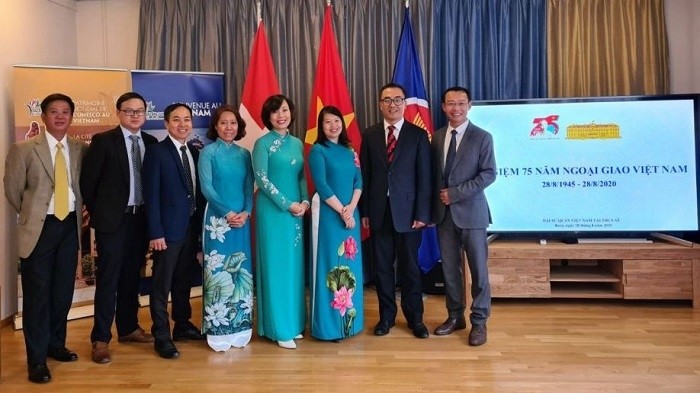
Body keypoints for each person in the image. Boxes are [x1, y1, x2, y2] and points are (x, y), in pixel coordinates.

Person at [4, 93, 87, 383]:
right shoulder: (24, 149)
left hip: (69, 228)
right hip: (39, 229)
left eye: (66, 111)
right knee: (37, 297)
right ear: (44, 116)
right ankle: (36, 360)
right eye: (54, 111)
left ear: (72, 117)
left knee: (62, 292)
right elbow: (13, 191)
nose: (60, 116)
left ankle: (55, 345)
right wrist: (35, 214)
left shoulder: (79, 148)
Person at [80, 92, 157, 364]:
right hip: (113, 222)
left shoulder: (150, 142)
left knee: (131, 277)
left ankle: (128, 328)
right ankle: (100, 338)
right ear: (118, 113)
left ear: (146, 114)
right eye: (129, 111)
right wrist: (102, 214)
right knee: (109, 278)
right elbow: (89, 183)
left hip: (140, 219)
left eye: (140, 111)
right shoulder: (103, 141)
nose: (135, 115)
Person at [359, 83, 432, 339]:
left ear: (404, 103)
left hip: (410, 214)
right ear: (380, 104)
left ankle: (416, 319)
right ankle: (386, 318)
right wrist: (365, 210)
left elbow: (425, 178)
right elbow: (365, 176)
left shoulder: (418, 135)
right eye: (387, 100)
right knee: (382, 269)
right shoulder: (369, 135)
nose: (392, 104)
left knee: (410, 269)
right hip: (379, 212)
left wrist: (423, 213)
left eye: (397, 99)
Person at [431, 86, 496, 346]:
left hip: (473, 214)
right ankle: (455, 316)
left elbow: (489, 173)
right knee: (449, 270)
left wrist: (455, 194)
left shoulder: (482, 137)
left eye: (461, 103)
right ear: (443, 107)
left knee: (478, 271)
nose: (455, 108)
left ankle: (479, 322)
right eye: (450, 103)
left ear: (470, 105)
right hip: (444, 216)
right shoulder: (436, 137)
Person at [143, 103, 206, 359]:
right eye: (177, 120)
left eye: (187, 120)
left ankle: (182, 324)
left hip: (190, 229)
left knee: (183, 282)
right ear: (166, 123)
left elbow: (197, 193)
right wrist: (155, 232)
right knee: (161, 285)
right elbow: (152, 196)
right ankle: (161, 334)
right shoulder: (157, 152)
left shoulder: (194, 151)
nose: (183, 124)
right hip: (166, 233)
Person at [252, 94, 308, 349]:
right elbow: (262, 180)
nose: (281, 115)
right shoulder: (262, 144)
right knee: (276, 268)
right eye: (275, 112)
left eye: (284, 110)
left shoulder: (297, 142)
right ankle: (278, 328)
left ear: (291, 112)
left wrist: (305, 202)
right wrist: (288, 204)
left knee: (293, 268)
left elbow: (301, 178)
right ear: (268, 116)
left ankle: (294, 324)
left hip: (296, 214)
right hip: (273, 212)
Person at [198, 105, 254, 351]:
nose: (229, 127)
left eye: (233, 123)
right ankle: (218, 329)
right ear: (215, 126)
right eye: (223, 123)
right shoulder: (208, 152)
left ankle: (240, 325)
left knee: (240, 272)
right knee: (218, 272)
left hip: (241, 221)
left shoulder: (244, 154)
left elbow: (249, 187)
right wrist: (228, 213)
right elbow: (207, 188)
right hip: (218, 223)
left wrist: (246, 213)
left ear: (239, 126)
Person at [308, 106, 364, 341]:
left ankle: (351, 324)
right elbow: (321, 184)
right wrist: (342, 210)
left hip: (351, 214)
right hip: (329, 216)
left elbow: (358, 181)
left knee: (350, 266)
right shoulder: (318, 150)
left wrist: (351, 208)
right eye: (328, 122)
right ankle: (329, 328)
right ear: (321, 127)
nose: (333, 125)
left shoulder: (350, 151)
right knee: (330, 264)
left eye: (336, 121)